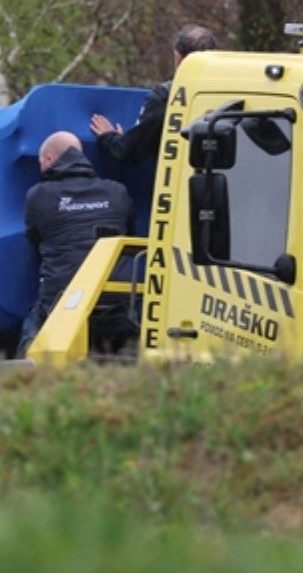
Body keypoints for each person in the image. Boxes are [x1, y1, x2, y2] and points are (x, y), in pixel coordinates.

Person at [20, 131, 134, 355]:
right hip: (117, 302)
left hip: (65, 301)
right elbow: (129, 236)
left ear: (50, 159)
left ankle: (27, 377)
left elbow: (35, 241)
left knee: (32, 326)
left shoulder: (39, 195)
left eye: (41, 162)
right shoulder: (118, 191)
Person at [91, 23, 217, 164]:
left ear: (177, 56)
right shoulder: (225, 93)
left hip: (177, 183)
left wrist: (108, 138)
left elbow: (130, 151)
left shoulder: (166, 96)